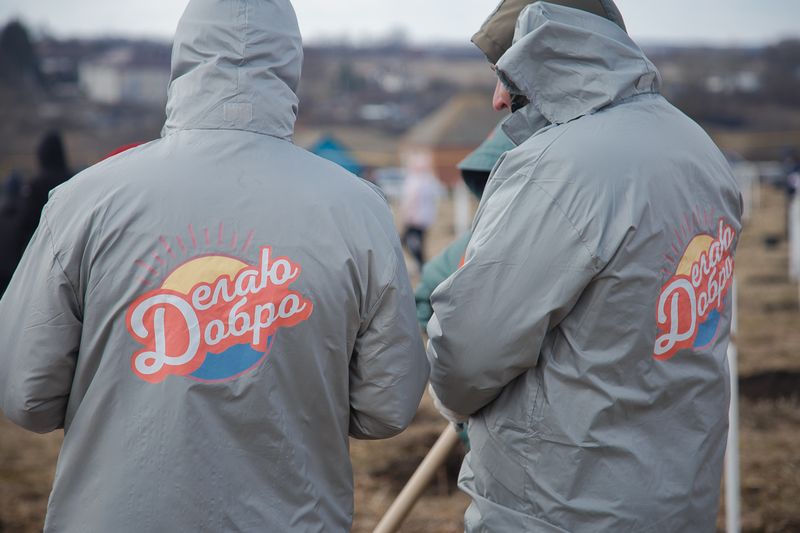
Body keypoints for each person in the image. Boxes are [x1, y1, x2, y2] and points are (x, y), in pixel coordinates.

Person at [0, 1, 429, 531]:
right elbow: (387, 406)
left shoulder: (84, 200)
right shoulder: (358, 210)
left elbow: (26, 394)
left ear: (184, 58)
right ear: (289, 67)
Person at [426, 1, 743, 531]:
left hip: (559, 505)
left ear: (546, 55)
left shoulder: (561, 168)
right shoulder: (697, 148)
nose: (498, 98)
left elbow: (465, 358)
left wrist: (451, 395)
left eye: (507, 74)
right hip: (680, 498)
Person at [16, 131, 73, 258]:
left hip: (41, 248)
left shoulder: (35, 185)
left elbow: (25, 222)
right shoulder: (73, 180)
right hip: (69, 246)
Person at [400, 159, 441, 273]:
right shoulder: (428, 181)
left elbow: (411, 200)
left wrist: (406, 215)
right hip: (424, 219)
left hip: (414, 218)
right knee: (417, 243)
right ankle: (421, 265)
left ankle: (421, 265)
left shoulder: (415, 181)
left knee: (407, 241)